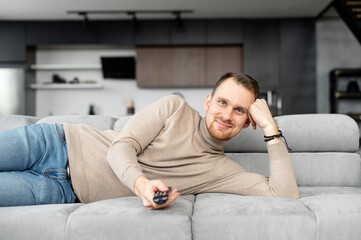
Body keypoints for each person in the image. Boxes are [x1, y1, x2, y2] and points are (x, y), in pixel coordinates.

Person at [0, 72, 299, 208]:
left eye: (239, 111)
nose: (226, 114)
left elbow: (284, 195)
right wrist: (142, 185)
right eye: (222, 102)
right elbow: (122, 147)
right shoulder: (174, 108)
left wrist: (270, 128)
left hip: (59, 192)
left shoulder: (222, 172)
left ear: (248, 121)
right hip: (53, 144)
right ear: (208, 101)